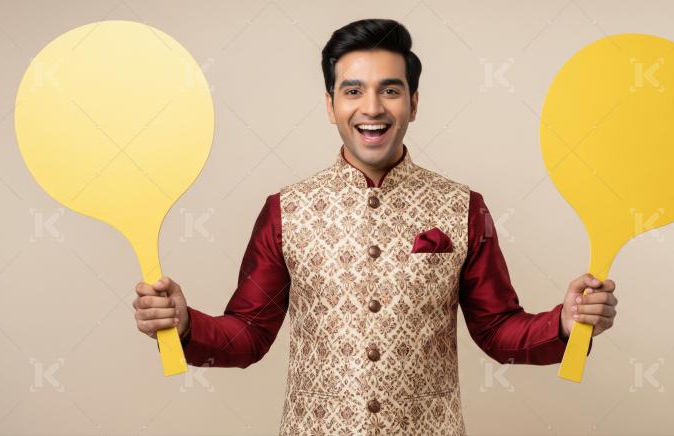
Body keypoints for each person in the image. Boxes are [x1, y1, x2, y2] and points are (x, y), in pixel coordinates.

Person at [132, 18, 617, 435]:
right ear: (330, 105)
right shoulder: (286, 211)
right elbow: (248, 335)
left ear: (414, 102)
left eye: (390, 89)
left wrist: (564, 323)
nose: (372, 108)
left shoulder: (463, 208)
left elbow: (498, 330)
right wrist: (186, 323)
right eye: (353, 90)